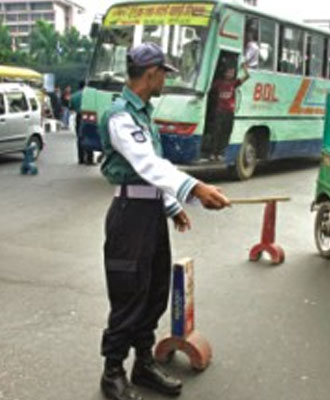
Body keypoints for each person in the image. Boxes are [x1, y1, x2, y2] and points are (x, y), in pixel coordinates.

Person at [98, 42, 231, 400]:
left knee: (154, 292)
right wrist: (195, 187)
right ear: (152, 73)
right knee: (129, 295)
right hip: (129, 218)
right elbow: (147, 164)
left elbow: (154, 175)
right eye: (163, 75)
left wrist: (173, 206)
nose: (165, 83)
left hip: (151, 213)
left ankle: (143, 363)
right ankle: (112, 372)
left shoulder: (142, 114)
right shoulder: (120, 115)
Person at [204, 60, 249, 161]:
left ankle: (220, 153)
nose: (230, 74)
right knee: (216, 132)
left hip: (230, 112)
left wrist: (244, 68)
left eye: (232, 73)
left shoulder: (234, 83)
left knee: (226, 133)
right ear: (224, 73)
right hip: (220, 111)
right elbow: (209, 88)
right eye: (229, 72)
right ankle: (212, 153)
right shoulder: (219, 83)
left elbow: (246, 77)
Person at [71, 81, 94, 164]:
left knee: (80, 137)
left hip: (79, 116)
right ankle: (89, 159)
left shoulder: (74, 95)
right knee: (90, 136)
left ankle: (80, 159)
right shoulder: (91, 95)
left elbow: (71, 107)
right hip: (90, 116)